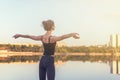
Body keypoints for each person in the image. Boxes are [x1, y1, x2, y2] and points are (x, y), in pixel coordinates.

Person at [13, 19, 80, 80]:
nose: (55, 26)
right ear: (52, 27)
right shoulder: (52, 38)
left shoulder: (42, 37)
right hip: (49, 60)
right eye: (54, 25)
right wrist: (72, 34)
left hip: (42, 60)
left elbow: (30, 36)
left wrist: (20, 35)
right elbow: (62, 37)